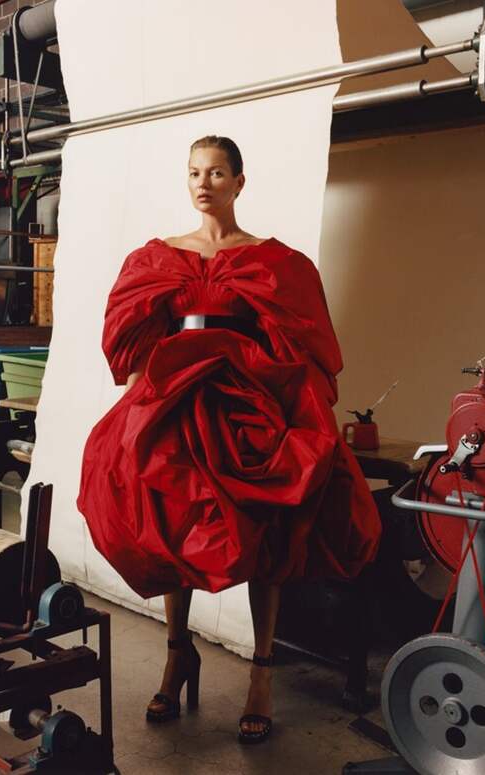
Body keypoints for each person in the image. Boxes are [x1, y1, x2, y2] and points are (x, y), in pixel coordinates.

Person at [76, 135, 381, 745]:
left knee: (264, 533)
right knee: (174, 525)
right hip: (178, 405)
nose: (203, 183)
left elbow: (297, 345)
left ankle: (261, 673)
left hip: (244, 408)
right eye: (194, 172)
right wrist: (137, 413)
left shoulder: (273, 262)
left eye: (216, 173)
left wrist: (290, 410)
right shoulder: (158, 258)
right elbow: (135, 344)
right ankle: (177, 654)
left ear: (239, 182)